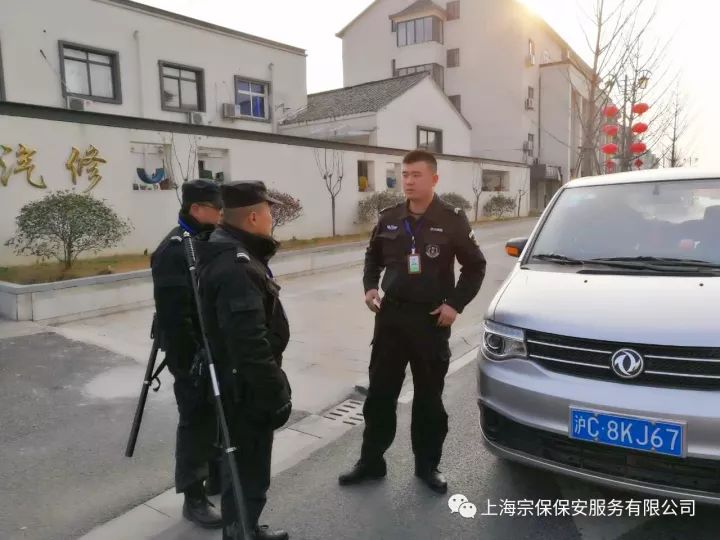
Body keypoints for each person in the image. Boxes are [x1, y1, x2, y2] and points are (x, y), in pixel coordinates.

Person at [339, 150, 487, 494]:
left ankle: (427, 466)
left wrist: (455, 305)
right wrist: (369, 287)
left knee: (428, 398)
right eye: (404, 174)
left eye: (416, 175)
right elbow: (373, 256)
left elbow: (475, 266)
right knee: (380, 395)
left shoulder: (452, 220)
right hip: (391, 318)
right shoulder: (389, 217)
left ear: (434, 179)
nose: (408, 181)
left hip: (430, 320)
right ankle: (371, 462)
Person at [197, 181, 292, 540]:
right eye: (268, 212)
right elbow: (249, 345)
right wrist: (275, 393)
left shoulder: (235, 253)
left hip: (239, 381)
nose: (271, 219)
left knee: (244, 466)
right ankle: (240, 532)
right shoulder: (237, 266)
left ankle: (246, 528)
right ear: (253, 217)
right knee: (249, 470)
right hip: (245, 389)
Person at [150, 179, 223, 529]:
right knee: (195, 419)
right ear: (196, 209)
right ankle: (193, 497)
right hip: (189, 350)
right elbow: (174, 316)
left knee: (218, 413)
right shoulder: (173, 250)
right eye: (216, 208)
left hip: (213, 343)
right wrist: (192, 361)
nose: (221, 214)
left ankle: (217, 477)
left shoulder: (207, 239)